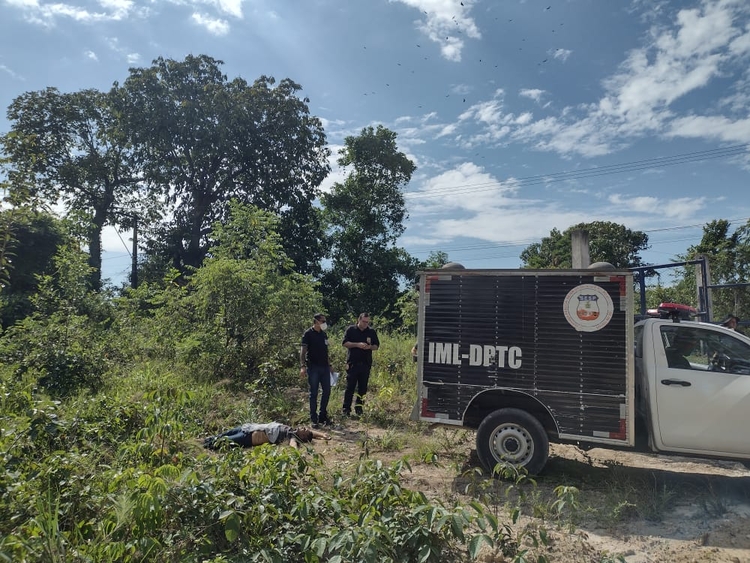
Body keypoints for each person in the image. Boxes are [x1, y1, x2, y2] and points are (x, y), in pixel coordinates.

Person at [342, 312, 380, 417]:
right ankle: (346, 409)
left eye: (367, 322)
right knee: (350, 387)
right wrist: (357, 345)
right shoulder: (351, 330)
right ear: (359, 320)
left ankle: (359, 409)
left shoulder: (371, 331)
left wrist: (370, 347)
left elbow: (376, 346)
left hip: (365, 364)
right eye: (364, 322)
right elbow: (345, 343)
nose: (365, 324)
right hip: (353, 364)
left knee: (362, 388)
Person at [300, 313, 333, 427]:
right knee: (313, 393)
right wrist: (302, 366)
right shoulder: (308, 334)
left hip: (324, 367)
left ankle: (322, 416)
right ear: (316, 321)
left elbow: (326, 351)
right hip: (313, 367)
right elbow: (303, 351)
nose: (324, 323)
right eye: (323, 321)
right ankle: (313, 419)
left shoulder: (324, 334)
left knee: (327, 391)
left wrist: (330, 365)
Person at [203, 422, 330, 450]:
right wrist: (323, 435)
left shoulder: (291, 436)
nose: (302, 428)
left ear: (301, 437)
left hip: (248, 438)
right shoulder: (290, 429)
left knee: (222, 442)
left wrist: (296, 448)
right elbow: (312, 434)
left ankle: (203, 446)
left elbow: (293, 447)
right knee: (220, 436)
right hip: (248, 428)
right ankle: (201, 441)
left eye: (304, 430)